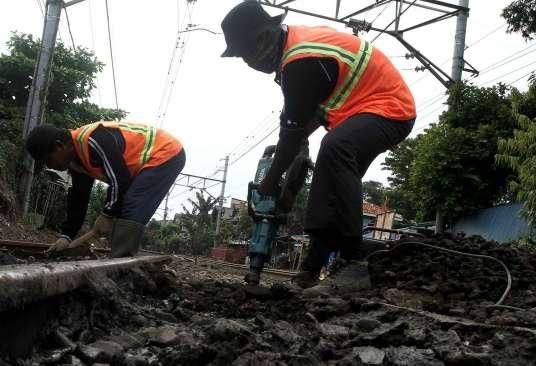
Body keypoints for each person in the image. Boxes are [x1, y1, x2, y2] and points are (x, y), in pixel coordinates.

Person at [221, 1, 416, 296]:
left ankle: (354, 261)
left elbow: (292, 134)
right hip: (359, 113)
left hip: (390, 110)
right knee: (329, 186)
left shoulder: (300, 61)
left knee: (334, 147)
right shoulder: (297, 47)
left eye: (243, 54)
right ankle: (310, 271)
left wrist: (270, 183)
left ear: (261, 38)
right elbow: (306, 119)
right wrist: (291, 145)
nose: (246, 62)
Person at [25, 121, 185, 257]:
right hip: (149, 162)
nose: (50, 166)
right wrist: (67, 236)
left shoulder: (93, 140)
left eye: (48, 160)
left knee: (131, 205)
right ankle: (121, 261)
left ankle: (122, 269)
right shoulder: (77, 161)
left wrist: (107, 215)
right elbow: (79, 198)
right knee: (124, 206)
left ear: (59, 146)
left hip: (165, 152)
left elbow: (120, 180)